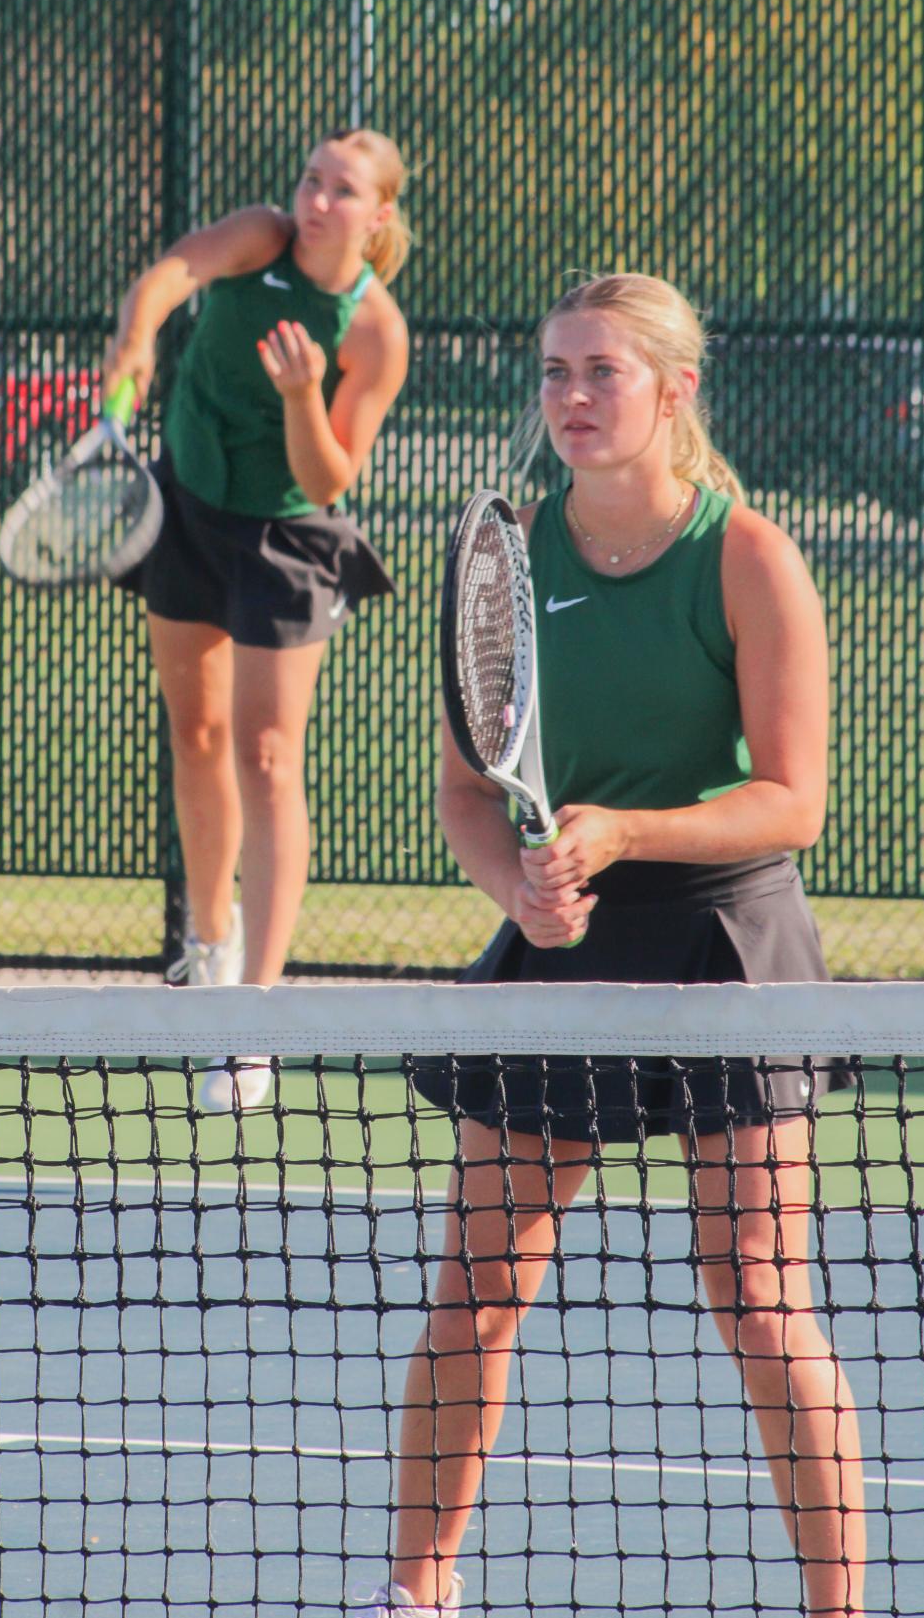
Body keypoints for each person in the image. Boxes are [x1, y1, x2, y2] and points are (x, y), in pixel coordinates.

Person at [363, 273, 865, 1618]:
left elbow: (792, 798)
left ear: (672, 389)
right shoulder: (506, 562)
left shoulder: (748, 555)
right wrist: (520, 889)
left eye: (601, 371)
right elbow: (470, 797)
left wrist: (621, 834)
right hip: (561, 947)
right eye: (552, 371)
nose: (571, 397)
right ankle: (416, 1592)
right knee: (472, 1298)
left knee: (757, 1301)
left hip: (729, 940)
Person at [103, 129, 410, 1111]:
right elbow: (170, 273)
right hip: (188, 503)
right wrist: (137, 336)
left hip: (286, 536)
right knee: (194, 736)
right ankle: (209, 943)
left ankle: (256, 1019)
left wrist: (297, 394)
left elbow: (329, 476)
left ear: (377, 218)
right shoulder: (257, 236)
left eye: (340, 191)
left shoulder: (373, 333)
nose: (315, 201)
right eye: (310, 181)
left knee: (267, 755)